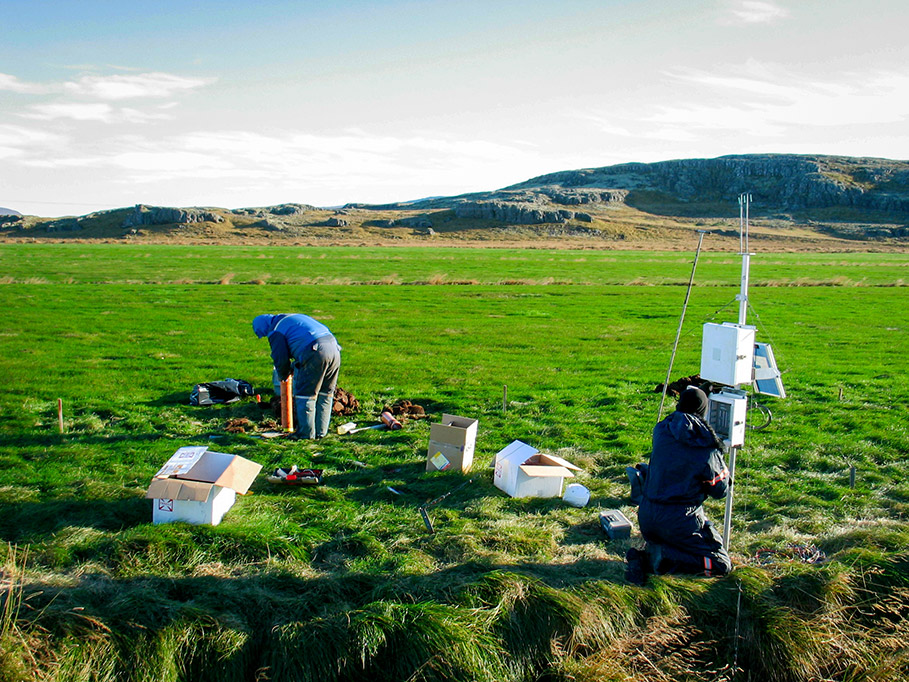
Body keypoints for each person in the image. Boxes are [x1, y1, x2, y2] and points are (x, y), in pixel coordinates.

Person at [626, 386, 732, 584]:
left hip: (648, 517)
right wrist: (720, 461)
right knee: (720, 564)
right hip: (679, 521)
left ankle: (650, 553)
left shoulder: (661, 430)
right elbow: (720, 490)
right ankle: (660, 558)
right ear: (703, 411)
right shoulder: (705, 447)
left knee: (681, 536)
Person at [252, 313, 341, 440]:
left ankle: (305, 434)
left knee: (305, 395)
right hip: (334, 348)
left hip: (315, 351)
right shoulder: (291, 318)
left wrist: (284, 375)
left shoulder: (275, 329)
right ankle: (321, 432)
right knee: (325, 392)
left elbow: (280, 357)